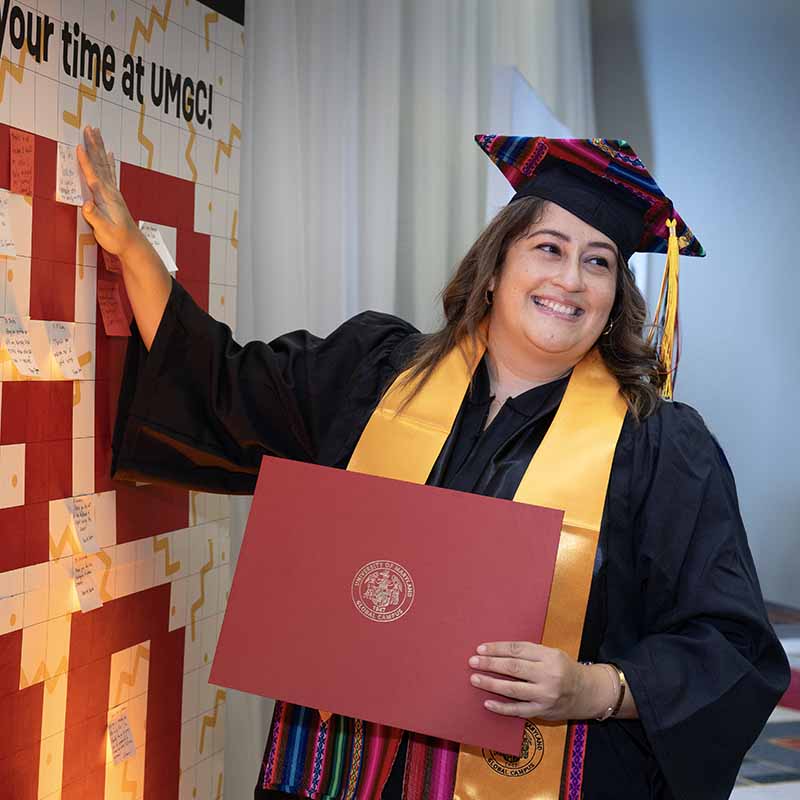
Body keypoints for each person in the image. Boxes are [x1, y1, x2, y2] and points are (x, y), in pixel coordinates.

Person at [77, 126, 789, 800]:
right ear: (496, 266)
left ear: (614, 299)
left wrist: (594, 689)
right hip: (344, 770)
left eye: (598, 260)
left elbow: (730, 647)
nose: (570, 279)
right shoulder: (376, 372)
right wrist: (133, 248)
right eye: (548, 248)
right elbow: (223, 388)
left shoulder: (660, 447)